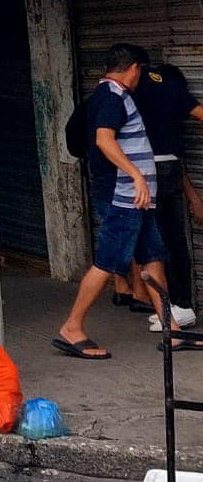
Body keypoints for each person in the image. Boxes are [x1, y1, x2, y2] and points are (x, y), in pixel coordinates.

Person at [54, 43, 171, 360]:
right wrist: (135, 175)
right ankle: (72, 327)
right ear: (134, 68)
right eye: (141, 72)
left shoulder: (113, 96)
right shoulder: (111, 98)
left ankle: (171, 329)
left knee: (153, 256)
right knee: (106, 262)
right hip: (125, 197)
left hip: (138, 199)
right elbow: (103, 140)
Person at [110, 47, 203, 331]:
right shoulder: (169, 86)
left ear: (133, 67)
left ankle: (180, 306)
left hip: (139, 171)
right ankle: (175, 305)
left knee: (158, 240)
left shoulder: (124, 90)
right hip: (166, 166)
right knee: (169, 238)